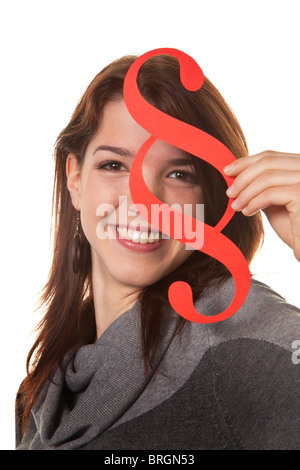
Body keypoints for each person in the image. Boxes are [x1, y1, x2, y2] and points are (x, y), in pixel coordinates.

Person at [15, 53, 300, 450]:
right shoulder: (45, 390)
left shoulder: (239, 336)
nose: (143, 202)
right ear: (75, 178)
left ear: (213, 199)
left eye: (179, 174)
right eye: (114, 165)